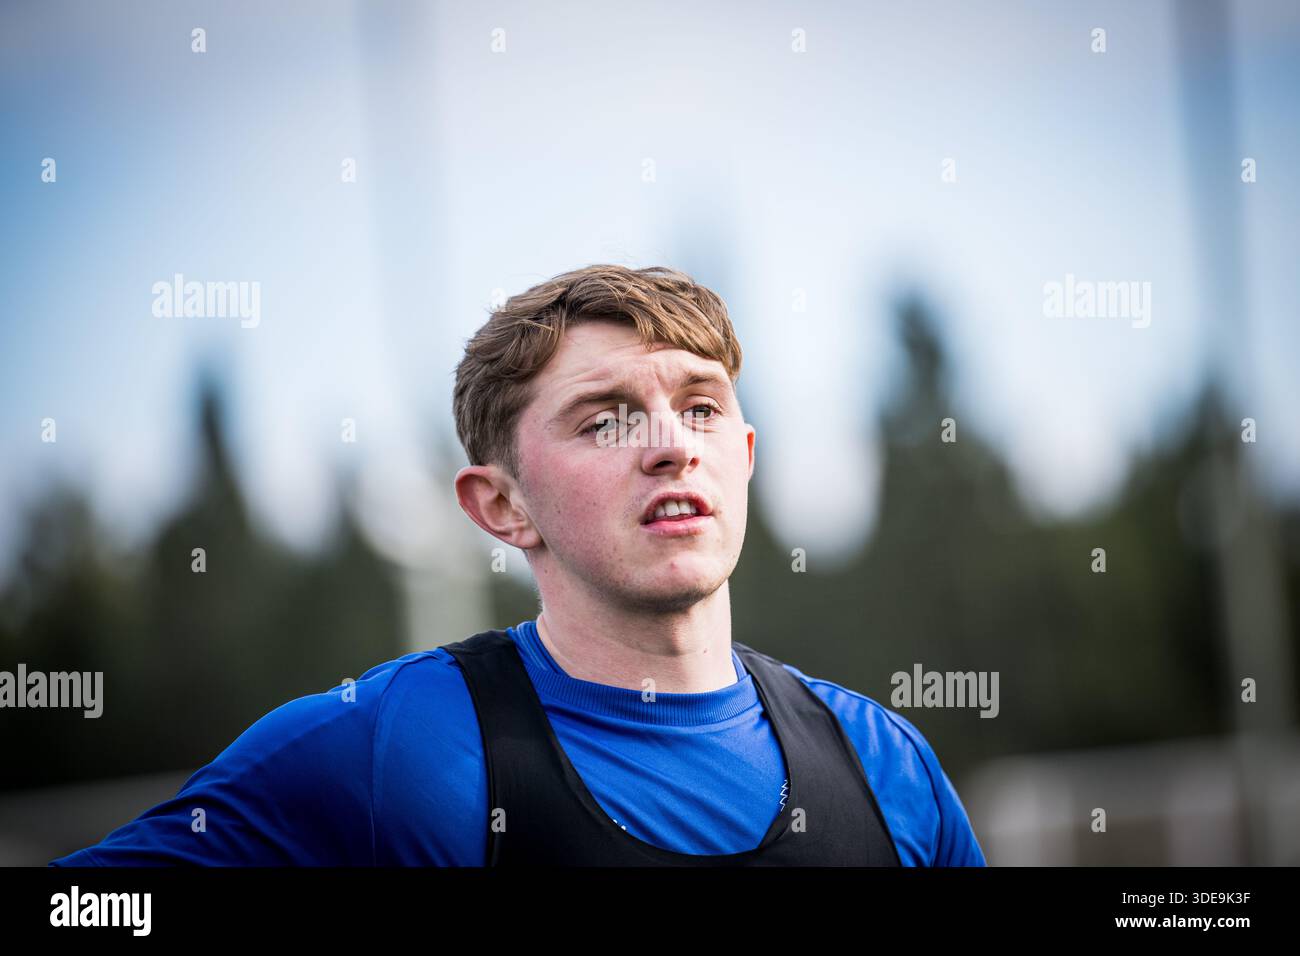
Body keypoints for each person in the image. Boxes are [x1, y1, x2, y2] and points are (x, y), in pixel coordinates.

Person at [50, 264, 986, 866]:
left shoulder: (886, 767)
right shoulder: (388, 750)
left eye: (699, 408)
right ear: (501, 505)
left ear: (743, 454)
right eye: (605, 419)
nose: (670, 446)